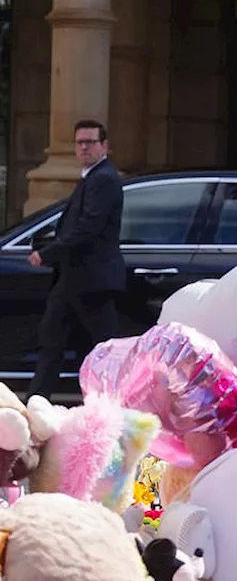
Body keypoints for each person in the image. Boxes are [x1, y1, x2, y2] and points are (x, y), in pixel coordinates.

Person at [28, 120, 124, 400]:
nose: (83, 147)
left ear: (104, 146)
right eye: (79, 142)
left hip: (91, 280)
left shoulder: (103, 178)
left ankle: (111, 409)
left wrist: (47, 253)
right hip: (76, 279)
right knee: (52, 341)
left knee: (102, 350)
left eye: (90, 142)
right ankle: (37, 404)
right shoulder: (93, 177)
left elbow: (88, 228)